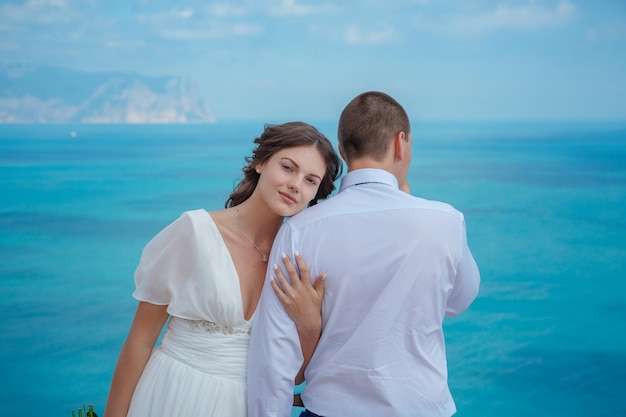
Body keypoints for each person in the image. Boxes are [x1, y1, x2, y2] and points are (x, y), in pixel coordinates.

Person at [247, 91, 481, 417]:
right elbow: (459, 302)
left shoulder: (300, 229)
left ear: (342, 152)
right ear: (400, 143)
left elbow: (273, 354)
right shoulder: (446, 222)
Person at [103, 121, 342, 417]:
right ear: (260, 163)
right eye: (288, 167)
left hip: (246, 406)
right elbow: (140, 340)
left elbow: (294, 378)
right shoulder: (194, 232)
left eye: (310, 180)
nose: (296, 184)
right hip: (172, 395)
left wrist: (309, 325)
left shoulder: (298, 263)